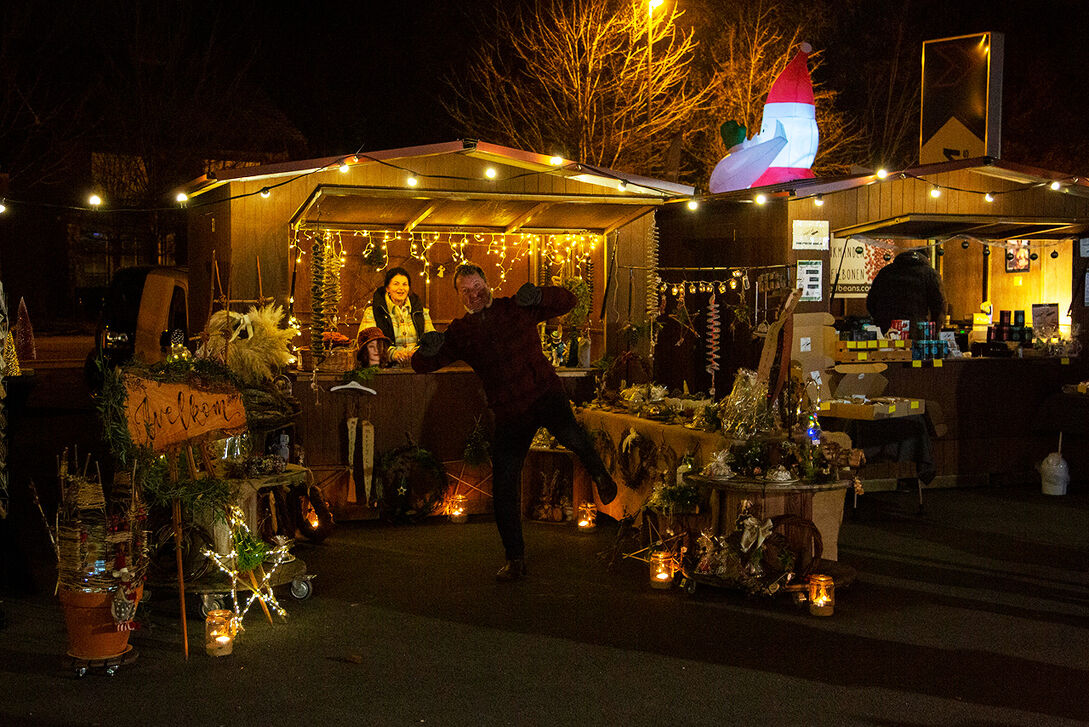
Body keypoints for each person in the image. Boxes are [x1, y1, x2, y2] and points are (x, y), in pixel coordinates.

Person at [412, 263, 617, 581]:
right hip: (511, 412)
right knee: (505, 485)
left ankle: (602, 477)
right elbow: (423, 365)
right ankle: (515, 559)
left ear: (487, 283)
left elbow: (569, 301)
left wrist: (540, 294)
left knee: (571, 436)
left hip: (545, 393)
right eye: (466, 291)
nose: (474, 294)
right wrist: (426, 348)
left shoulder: (515, 307)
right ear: (459, 297)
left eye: (477, 286)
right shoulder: (461, 332)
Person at [358, 266, 435, 366]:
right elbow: (367, 341)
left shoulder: (420, 311)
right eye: (396, 284)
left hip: (417, 367)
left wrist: (418, 351)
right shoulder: (372, 312)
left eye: (405, 284)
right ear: (387, 288)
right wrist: (392, 354)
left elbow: (432, 338)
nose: (401, 288)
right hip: (386, 370)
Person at [866, 249, 946, 334]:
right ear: (926, 258)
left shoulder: (886, 271)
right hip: (917, 330)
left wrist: (882, 320)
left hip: (888, 329)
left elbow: (871, 302)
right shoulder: (930, 274)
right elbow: (940, 305)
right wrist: (934, 331)